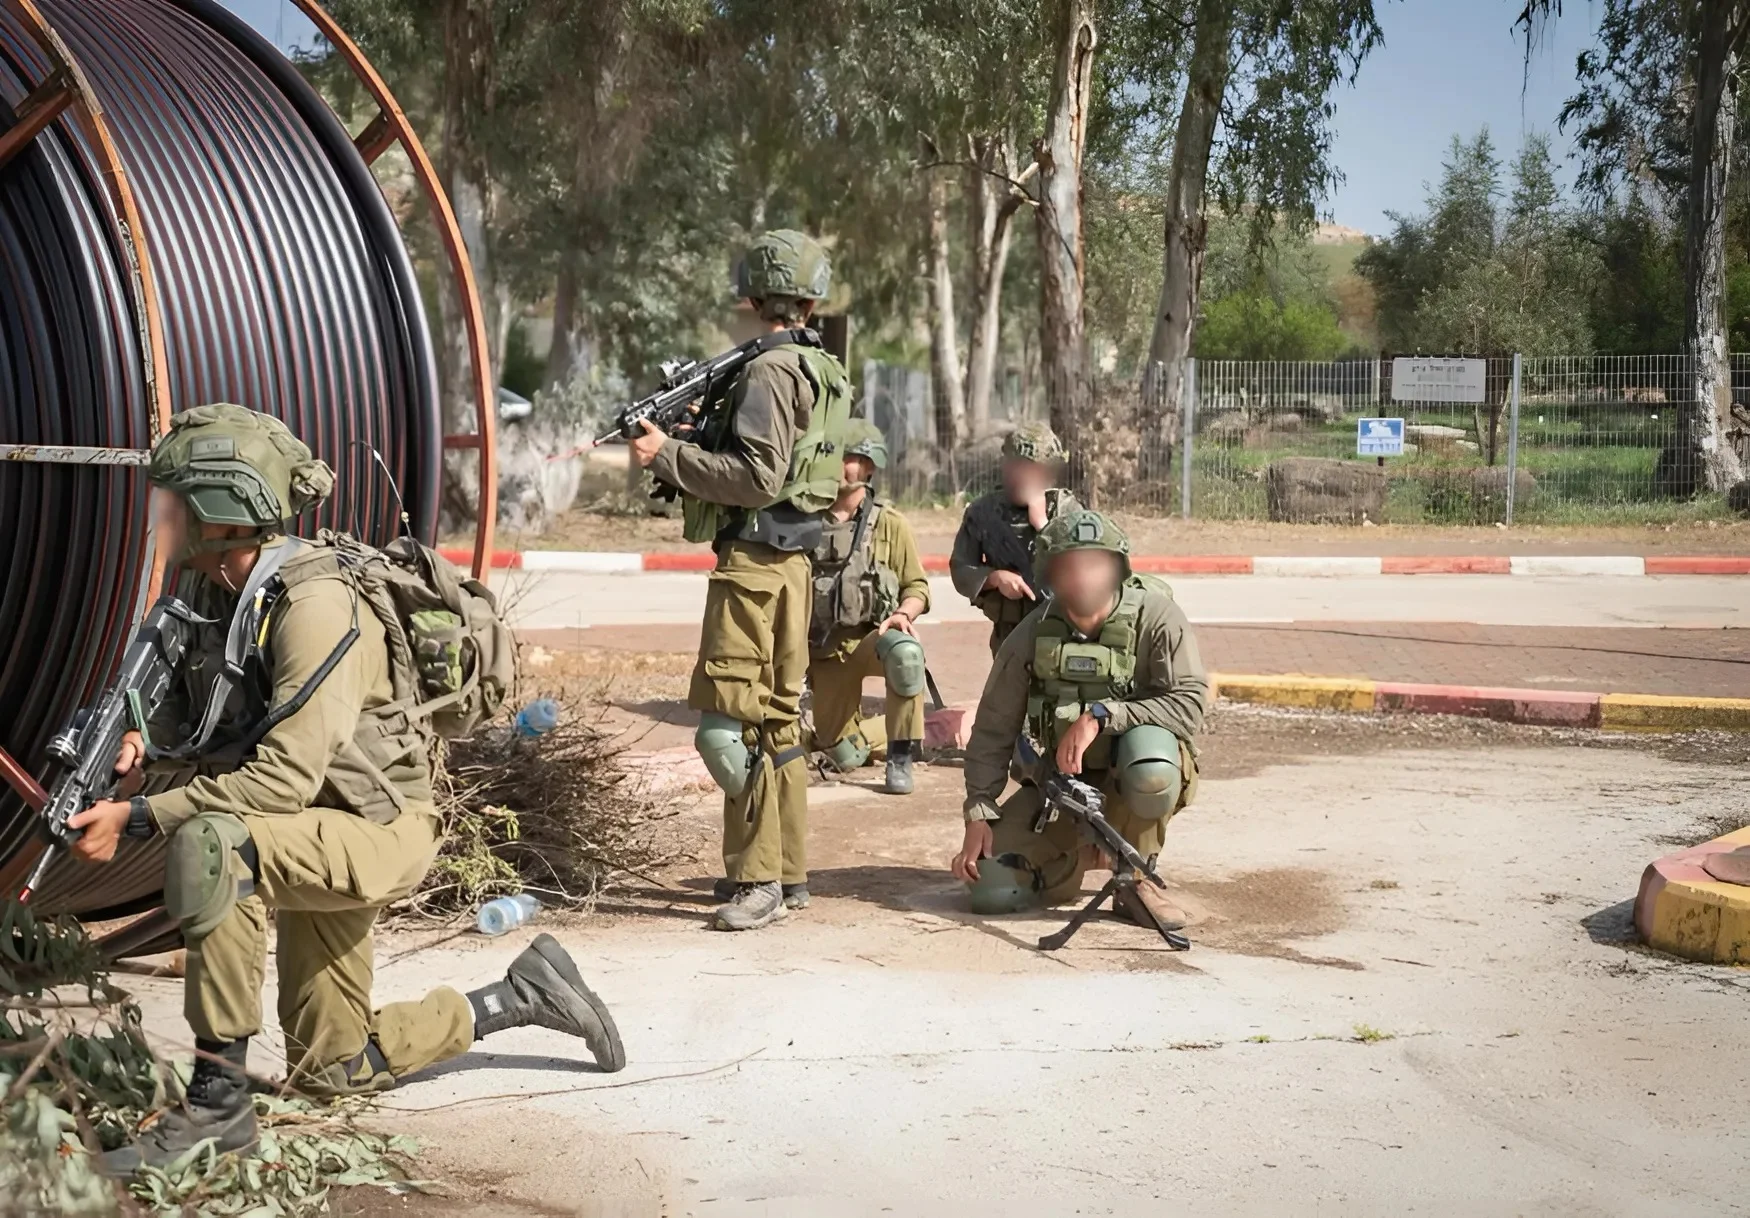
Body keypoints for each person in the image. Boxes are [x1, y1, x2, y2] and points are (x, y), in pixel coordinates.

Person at [68, 404, 624, 1173]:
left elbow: (284, 775)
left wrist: (138, 815)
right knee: (333, 1071)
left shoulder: (315, 605)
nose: (160, 519)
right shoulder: (228, 591)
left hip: (375, 829)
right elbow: (213, 710)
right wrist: (144, 742)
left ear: (219, 512)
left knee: (212, 845)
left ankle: (216, 1107)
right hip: (313, 828)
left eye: (174, 504)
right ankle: (520, 994)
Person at [629, 229, 854, 931]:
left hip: (753, 570)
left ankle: (757, 881)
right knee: (781, 724)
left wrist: (666, 455)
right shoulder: (821, 368)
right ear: (812, 298)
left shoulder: (767, 372)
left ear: (756, 297)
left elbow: (756, 479)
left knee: (727, 735)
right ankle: (787, 877)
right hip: (793, 566)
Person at [948, 509, 1207, 933]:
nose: (1083, 577)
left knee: (1153, 761)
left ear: (1118, 568)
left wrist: (1103, 715)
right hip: (1060, 792)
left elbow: (1190, 703)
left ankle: (1135, 877)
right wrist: (979, 808)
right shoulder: (1034, 631)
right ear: (1049, 573)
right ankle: (1079, 858)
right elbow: (994, 727)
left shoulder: (1157, 618)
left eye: (1096, 564)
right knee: (992, 891)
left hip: (1133, 780)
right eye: (1068, 566)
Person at [805, 418, 930, 796]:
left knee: (907, 656)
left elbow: (917, 587)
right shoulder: (803, 523)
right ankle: (904, 727)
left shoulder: (891, 524)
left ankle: (901, 754)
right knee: (841, 754)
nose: (840, 465)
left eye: (850, 457)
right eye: (835, 455)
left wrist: (904, 614)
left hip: (874, 639)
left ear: (870, 467)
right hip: (825, 650)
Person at [949, 423, 1080, 654]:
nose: (1022, 475)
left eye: (1032, 468)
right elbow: (961, 568)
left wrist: (1043, 525)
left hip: (1062, 636)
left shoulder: (1067, 511)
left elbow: (1082, 569)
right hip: (1008, 636)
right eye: (1015, 466)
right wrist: (994, 578)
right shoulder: (983, 513)